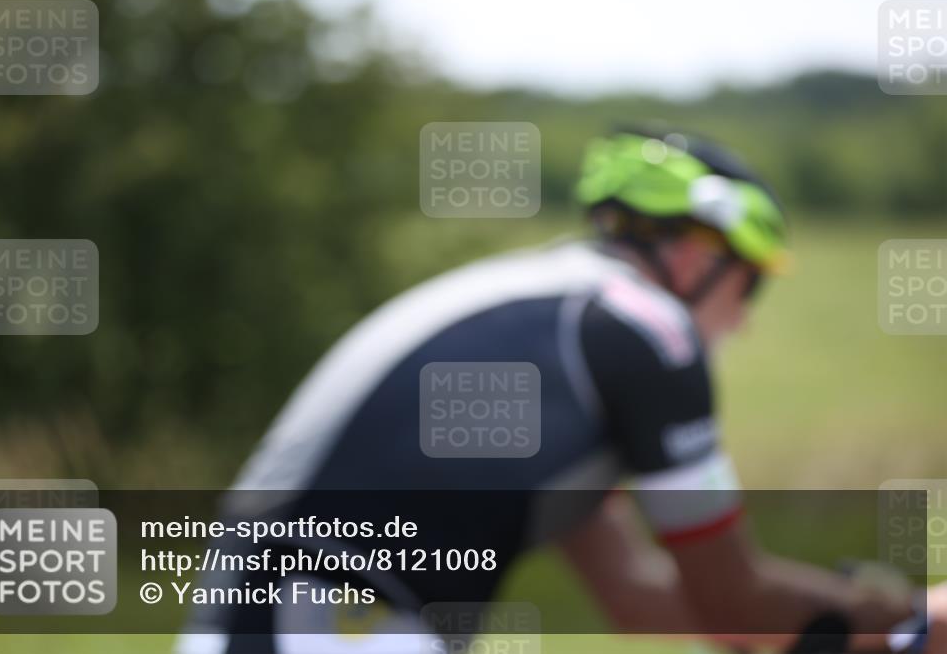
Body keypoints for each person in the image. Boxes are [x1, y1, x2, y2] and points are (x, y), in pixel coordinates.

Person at [177, 128, 944, 654]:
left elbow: (640, 598)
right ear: (692, 251)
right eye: (749, 285)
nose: (742, 321)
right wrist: (909, 616)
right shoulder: (643, 327)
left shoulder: (562, 325)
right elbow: (730, 591)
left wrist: (840, 627)